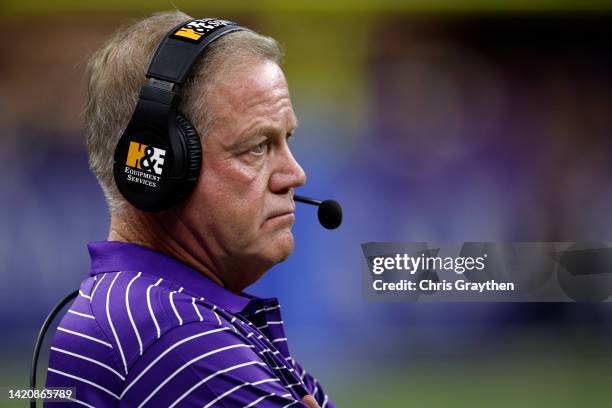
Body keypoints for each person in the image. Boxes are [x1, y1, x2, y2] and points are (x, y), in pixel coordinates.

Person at [44, 11, 334, 408]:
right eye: (257, 146)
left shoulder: (157, 314)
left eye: (287, 139)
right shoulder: (182, 344)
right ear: (162, 167)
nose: (295, 174)